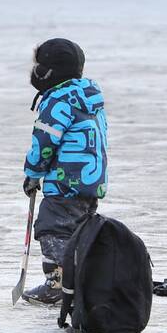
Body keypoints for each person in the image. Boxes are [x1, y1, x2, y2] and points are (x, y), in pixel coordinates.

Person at [20, 38, 108, 305]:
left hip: (65, 179)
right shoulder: (89, 95)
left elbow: (45, 141)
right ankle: (79, 281)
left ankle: (58, 283)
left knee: (52, 227)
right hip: (91, 178)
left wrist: (33, 173)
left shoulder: (57, 100)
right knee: (77, 230)